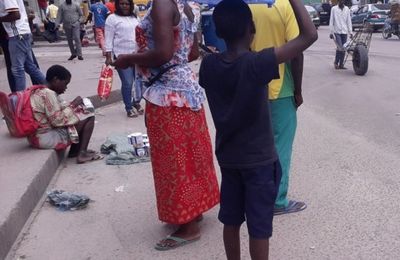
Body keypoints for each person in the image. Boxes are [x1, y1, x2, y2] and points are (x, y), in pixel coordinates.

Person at [199, 0, 317, 259]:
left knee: (230, 220)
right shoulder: (259, 63)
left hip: (229, 159)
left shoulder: (208, 66)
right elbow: (310, 35)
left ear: (218, 32)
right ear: (251, 28)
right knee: (259, 227)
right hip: (260, 162)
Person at [113, 0, 220, 251]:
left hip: (167, 94)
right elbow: (191, 53)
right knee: (192, 156)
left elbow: (162, 54)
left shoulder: (162, 4)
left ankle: (188, 226)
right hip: (187, 89)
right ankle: (194, 211)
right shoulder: (189, 5)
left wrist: (128, 58)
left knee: (173, 162)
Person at [249, 0, 306, 215]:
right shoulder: (285, 5)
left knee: (257, 145)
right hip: (280, 87)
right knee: (281, 146)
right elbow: (297, 51)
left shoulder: (246, 5)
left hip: (251, 85)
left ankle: (255, 195)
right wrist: (298, 90)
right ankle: (277, 201)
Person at [29, 65, 103, 164]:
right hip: (46, 138)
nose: (66, 88)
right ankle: (82, 153)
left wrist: (73, 106)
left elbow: (59, 107)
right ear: (56, 80)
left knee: (80, 113)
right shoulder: (48, 94)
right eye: (65, 83)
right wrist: (73, 105)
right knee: (89, 115)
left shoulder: (41, 90)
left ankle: (75, 151)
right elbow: (57, 120)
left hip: (37, 136)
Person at [105, 0, 142, 117]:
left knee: (139, 82)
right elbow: (108, 38)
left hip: (137, 55)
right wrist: (108, 56)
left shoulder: (134, 18)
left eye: (127, 4)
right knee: (127, 83)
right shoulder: (112, 18)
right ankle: (129, 107)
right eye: (122, 4)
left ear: (131, 5)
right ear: (117, 5)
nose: (124, 6)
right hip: (122, 56)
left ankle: (136, 102)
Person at [0, 0, 46, 92]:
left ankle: (20, 99)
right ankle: (50, 88)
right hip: (22, 33)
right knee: (30, 67)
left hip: (17, 35)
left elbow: (16, 15)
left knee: (17, 70)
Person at [329, 0, 352, 70]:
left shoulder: (347, 9)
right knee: (340, 47)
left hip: (344, 32)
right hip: (337, 31)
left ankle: (341, 64)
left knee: (344, 48)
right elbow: (331, 20)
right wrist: (331, 32)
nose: (342, 2)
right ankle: (336, 62)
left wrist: (350, 32)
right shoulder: (334, 9)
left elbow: (349, 21)